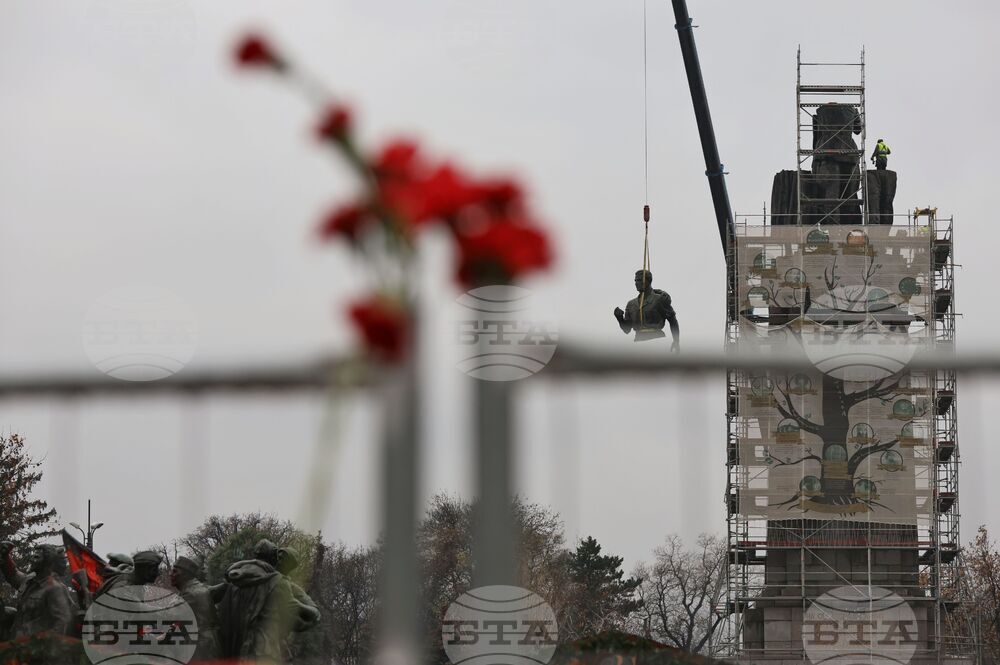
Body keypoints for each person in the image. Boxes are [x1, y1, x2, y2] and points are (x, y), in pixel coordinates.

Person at [0, 541, 77, 640]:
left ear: (47, 562)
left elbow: (62, 624)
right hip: (17, 644)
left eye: (36, 557)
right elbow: (13, 575)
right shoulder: (29, 581)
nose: (31, 560)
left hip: (35, 648)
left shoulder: (55, 589)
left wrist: (44, 647)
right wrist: (5, 557)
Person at [613, 269, 680, 349]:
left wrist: (676, 341)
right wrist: (619, 318)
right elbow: (627, 329)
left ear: (648, 281)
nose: (636, 283)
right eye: (635, 280)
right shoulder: (631, 304)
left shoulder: (659, 299)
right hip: (638, 342)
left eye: (639, 280)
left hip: (657, 341)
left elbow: (672, 320)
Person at [169, 556, 221, 661]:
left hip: (201, 648)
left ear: (185, 575)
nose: (171, 574)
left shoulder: (191, 593)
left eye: (175, 572)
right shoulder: (193, 589)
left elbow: (167, 614)